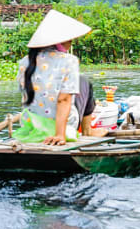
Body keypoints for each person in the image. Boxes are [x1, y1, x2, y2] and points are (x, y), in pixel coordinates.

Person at [17, 9, 91, 146]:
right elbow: (64, 99)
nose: (71, 42)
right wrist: (59, 135)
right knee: (87, 84)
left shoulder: (24, 62)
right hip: (61, 129)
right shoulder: (69, 60)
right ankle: (88, 131)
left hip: (30, 127)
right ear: (60, 41)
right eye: (70, 38)